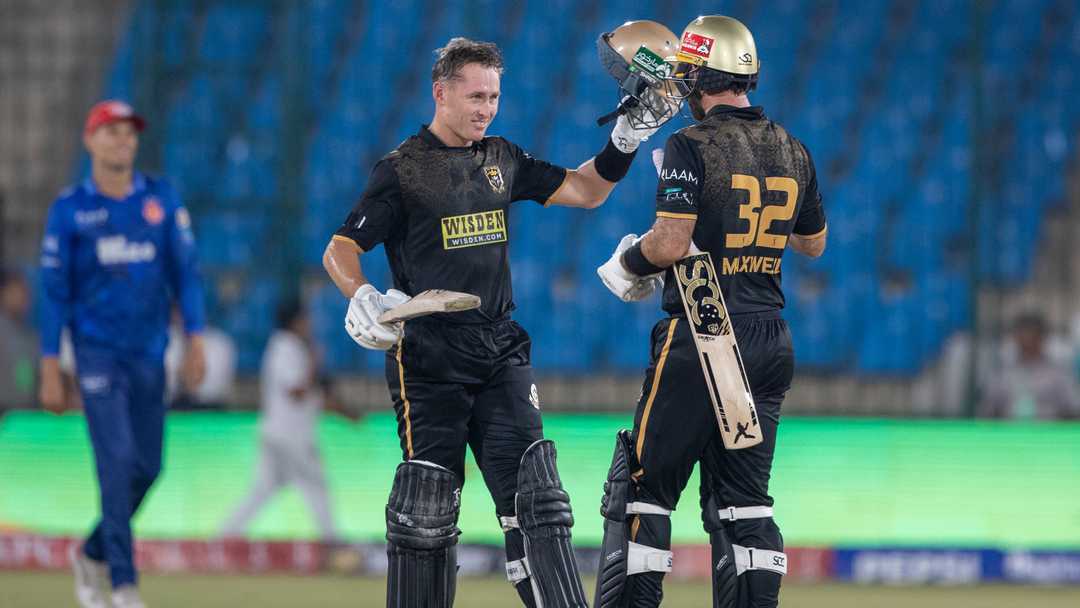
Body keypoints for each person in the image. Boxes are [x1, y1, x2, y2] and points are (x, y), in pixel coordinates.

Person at [322, 32, 679, 608]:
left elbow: (587, 190)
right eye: (476, 96)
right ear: (441, 93)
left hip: (500, 350)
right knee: (425, 517)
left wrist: (624, 139)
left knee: (539, 503)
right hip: (428, 358)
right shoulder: (401, 170)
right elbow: (340, 248)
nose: (486, 108)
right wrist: (359, 293)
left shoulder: (502, 157)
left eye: (493, 97)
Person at [594, 16, 827, 608]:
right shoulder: (793, 148)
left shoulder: (690, 145)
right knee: (744, 505)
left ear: (699, 76)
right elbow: (812, 242)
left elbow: (670, 244)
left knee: (642, 495)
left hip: (704, 329)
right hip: (769, 336)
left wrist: (630, 262)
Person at [39, 100, 206, 608]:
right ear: (90, 141)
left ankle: (91, 551)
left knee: (148, 467)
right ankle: (123, 584)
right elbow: (53, 293)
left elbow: (186, 275)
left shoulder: (161, 199)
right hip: (96, 354)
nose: (122, 141)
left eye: (129, 133)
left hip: (149, 353)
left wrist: (195, 338)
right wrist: (50, 363)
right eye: (111, 132)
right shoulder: (70, 209)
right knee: (115, 462)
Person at [220, 299, 340, 542]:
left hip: (278, 432)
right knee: (316, 485)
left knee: (262, 490)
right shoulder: (285, 347)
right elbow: (295, 391)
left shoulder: (290, 347)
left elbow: (308, 396)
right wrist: (314, 363)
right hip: (290, 436)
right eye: (306, 318)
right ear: (295, 321)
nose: (310, 324)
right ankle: (333, 543)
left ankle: (225, 537)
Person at [979, 312, 1080, 419]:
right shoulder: (1002, 374)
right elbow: (987, 411)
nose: (1027, 340)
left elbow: (1074, 409)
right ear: (1015, 338)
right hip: (1009, 428)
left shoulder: (1058, 374)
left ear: (1042, 337)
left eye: (1032, 335)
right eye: (1022, 335)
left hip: (1047, 428)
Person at [0, 269, 38, 411]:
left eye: (25, 292)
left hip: (27, 411)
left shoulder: (31, 336)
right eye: (14, 292)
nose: (21, 297)